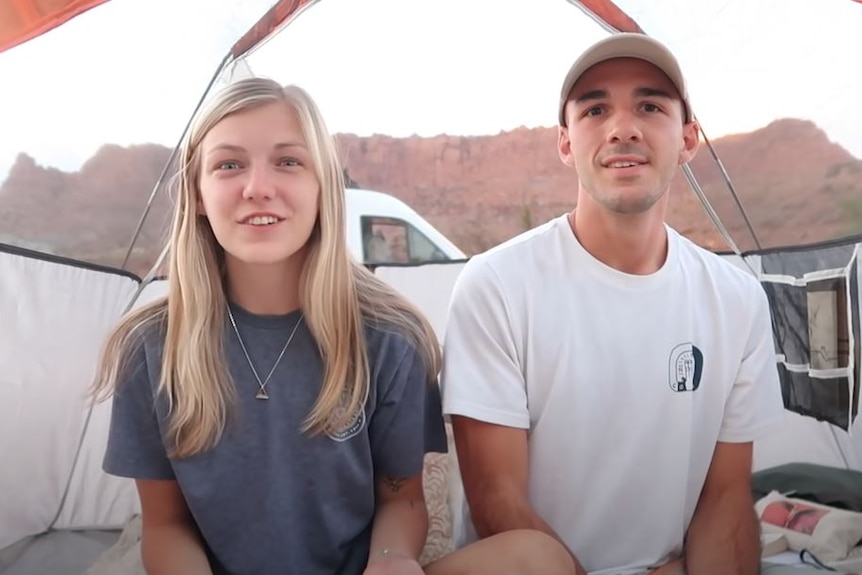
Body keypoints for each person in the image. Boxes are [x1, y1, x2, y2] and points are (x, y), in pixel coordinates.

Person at [438, 33, 810, 575]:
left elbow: (725, 499)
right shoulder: (496, 284)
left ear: (687, 139)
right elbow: (499, 504)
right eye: (595, 109)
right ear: (565, 144)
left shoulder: (736, 299)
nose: (623, 128)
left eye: (650, 106)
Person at [91, 78, 449, 575]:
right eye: (229, 165)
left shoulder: (391, 338)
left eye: (289, 161)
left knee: (533, 558)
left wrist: (391, 560)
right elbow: (165, 525)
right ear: (197, 194)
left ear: (324, 186)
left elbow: (403, 500)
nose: (258, 188)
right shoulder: (151, 347)